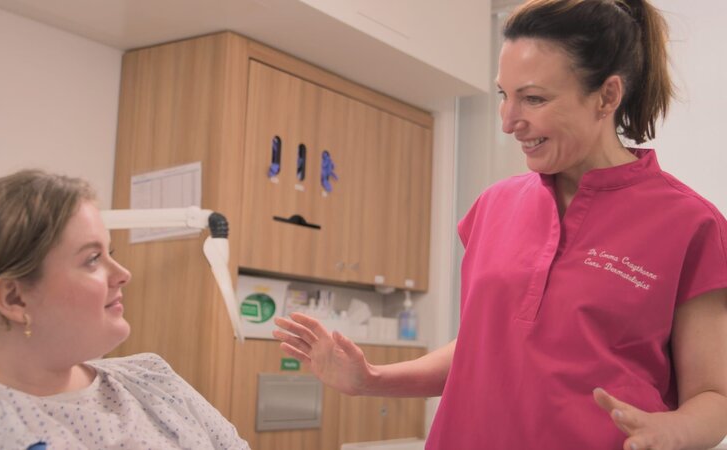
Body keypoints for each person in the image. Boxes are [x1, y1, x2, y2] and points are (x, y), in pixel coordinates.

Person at [273, 0, 727, 449]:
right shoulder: (494, 206)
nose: (509, 122)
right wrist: (370, 379)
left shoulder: (690, 223)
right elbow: (484, 347)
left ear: (607, 96)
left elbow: (714, 396)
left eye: (533, 98)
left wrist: (671, 432)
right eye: (503, 96)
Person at [0, 170, 249, 449]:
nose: (123, 274)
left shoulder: (153, 381)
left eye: (110, 253)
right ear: (14, 299)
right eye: (93, 259)